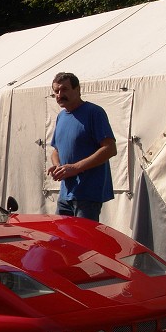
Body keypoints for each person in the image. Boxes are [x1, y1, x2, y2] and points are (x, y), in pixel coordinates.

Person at [47, 72, 117, 221]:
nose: (60, 95)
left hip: (87, 194)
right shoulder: (61, 116)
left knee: (83, 235)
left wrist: (75, 168)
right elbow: (56, 150)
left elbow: (110, 148)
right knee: (60, 234)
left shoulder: (94, 112)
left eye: (64, 89)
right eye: (56, 91)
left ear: (78, 89)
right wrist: (58, 166)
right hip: (65, 194)